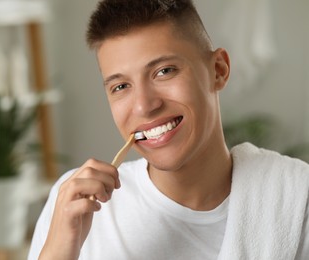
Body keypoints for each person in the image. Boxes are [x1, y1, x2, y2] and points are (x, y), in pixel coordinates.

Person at [28, 0, 309, 259]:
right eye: (121, 86)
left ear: (218, 70)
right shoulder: (73, 208)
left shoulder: (297, 200)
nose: (144, 106)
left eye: (164, 71)